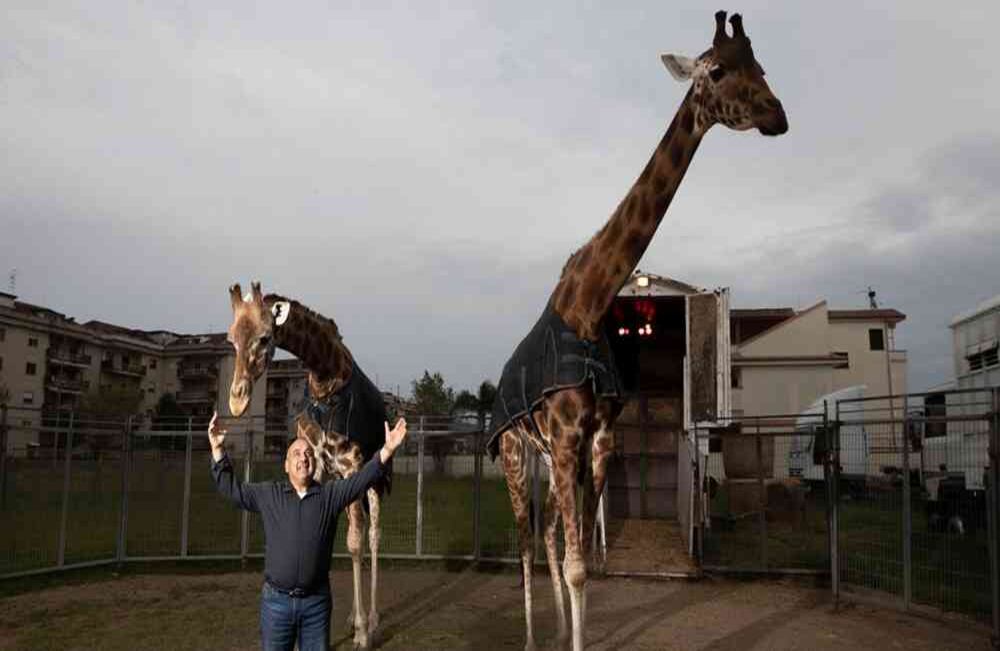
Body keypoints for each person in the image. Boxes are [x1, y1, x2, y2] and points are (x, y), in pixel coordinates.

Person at [208, 410, 407, 651]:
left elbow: (361, 480)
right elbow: (232, 490)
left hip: (316, 605)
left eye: (309, 454)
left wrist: (387, 450)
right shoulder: (269, 494)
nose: (303, 458)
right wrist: (218, 451)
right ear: (286, 465)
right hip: (276, 604)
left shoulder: (330, 495)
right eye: (296, 454)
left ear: (315, 463)